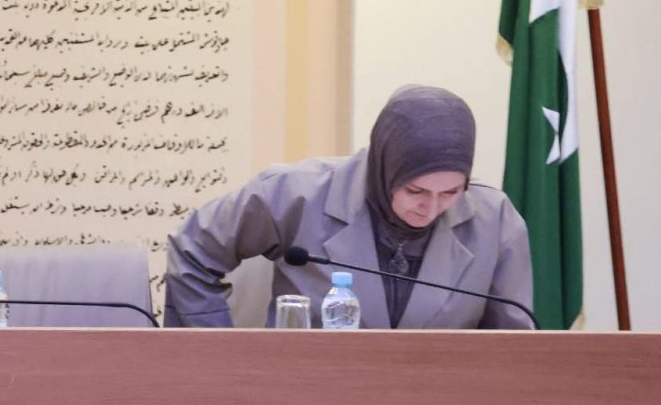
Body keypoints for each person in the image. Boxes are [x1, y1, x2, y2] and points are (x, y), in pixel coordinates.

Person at [162, 84, 534, 329]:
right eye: (415, 190)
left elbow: (513, 346)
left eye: (451, 192)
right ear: (385, 165)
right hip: (307, 399)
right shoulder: (296, 192)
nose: (431, 208)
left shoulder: (495, 220)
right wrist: (219, 353)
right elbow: (192, 251)